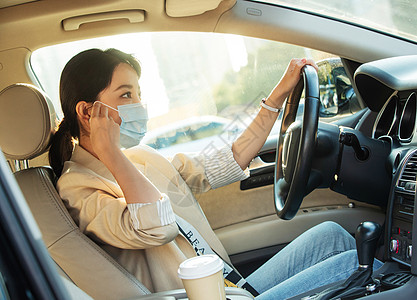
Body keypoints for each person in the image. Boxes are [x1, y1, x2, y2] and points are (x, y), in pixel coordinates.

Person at [49, 48, 381, 300]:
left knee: (332, 235)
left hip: (229, 285)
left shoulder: (140, 157)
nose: (140, 104)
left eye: (138, 93)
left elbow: (226, 160)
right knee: (359, 265)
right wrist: (110, 152)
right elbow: (156, 227)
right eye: (126, 95)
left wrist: (277, 96)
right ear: (87, 111)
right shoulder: (77, 186)